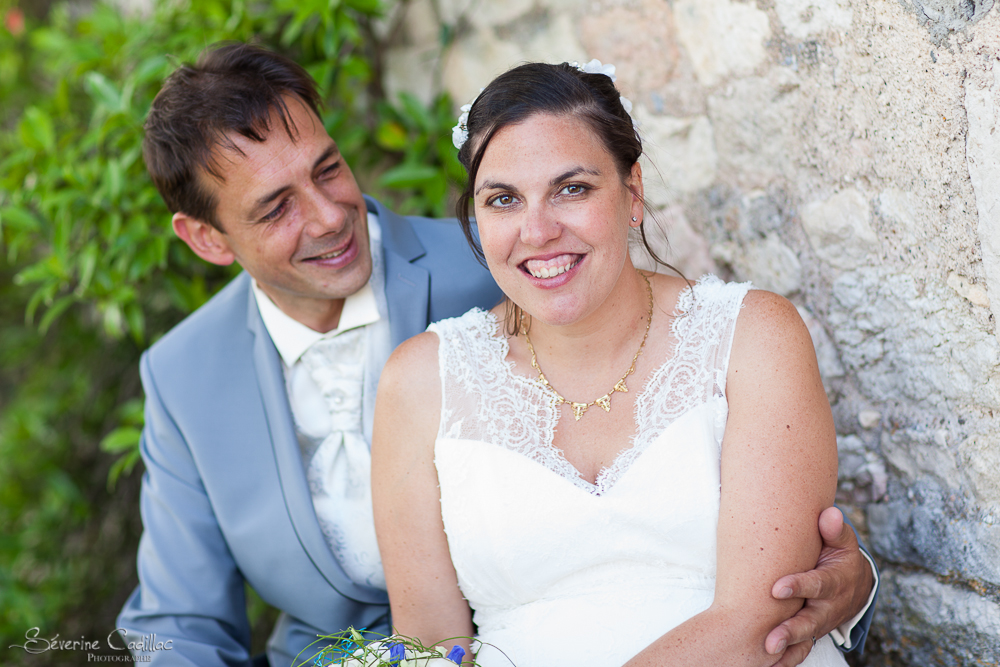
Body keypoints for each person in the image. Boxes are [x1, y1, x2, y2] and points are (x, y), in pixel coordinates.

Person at [118, 44, 871, 667]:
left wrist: (847, 575)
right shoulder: (185, 377)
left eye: (327, 169)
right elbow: (179, 624)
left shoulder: (520, 266)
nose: (326, 217)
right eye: (276, 206)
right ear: (207, 239)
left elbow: (749, 536)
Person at [372, 61, 877, 667]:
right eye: (504, 200)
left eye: (572, 189)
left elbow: (758, 621)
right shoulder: (421, 383)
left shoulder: (751, 337)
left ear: (632, 192)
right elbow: (430, 648)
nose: (537, 230)